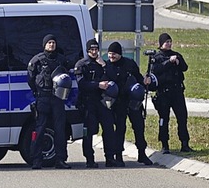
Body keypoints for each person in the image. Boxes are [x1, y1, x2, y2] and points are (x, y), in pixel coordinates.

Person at [104, 41, 153, 166]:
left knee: (138, 126)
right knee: (120, 129)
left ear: (119, 54)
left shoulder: (130, 64)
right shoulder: (107, 66)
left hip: (133, 101)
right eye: (109, 54)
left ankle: (142, 153)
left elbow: (138, 77)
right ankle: (118, 155)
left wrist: (144, 81)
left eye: (114, 54)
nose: (111, 56)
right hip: (118, 103)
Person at [27, 34, 71, 169]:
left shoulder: (61, 60)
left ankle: (60, 160)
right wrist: (38, 93)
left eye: (53, 42)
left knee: (60, 130)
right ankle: (36, 160)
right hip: (43, 98)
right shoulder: (37, 60)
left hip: (58, 99)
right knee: (40, 130)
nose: (51, 45)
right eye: (49, 43)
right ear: (44, 45)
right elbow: (30, 79)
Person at [74, 39, 118, 168]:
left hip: (103, 101)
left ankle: (110, 157)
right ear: (87, 51)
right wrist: (97, 85)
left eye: (96, 50)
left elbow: (113, 77)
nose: (94, 52)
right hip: (88, 102)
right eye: (91, 50)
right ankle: (89, 159)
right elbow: (81, 84)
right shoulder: (82, 64)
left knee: (109, 129)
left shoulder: (103, 63)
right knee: (89, 131)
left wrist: (104, 65)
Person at [150, 33, 192, 154]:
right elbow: (155, 70)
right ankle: (164, 144)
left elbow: (185, 68)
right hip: (163, 93)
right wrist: (169, 62)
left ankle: (185, 143)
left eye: (170, 41)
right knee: (164, 119)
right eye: (166, 42)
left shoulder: (176, 55)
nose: (168, 44)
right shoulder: (157, 57)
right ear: (161, 43)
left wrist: (178, 62)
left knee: (182, 117)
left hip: (177, 92)